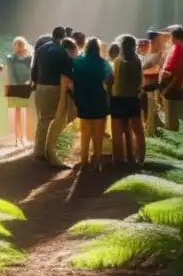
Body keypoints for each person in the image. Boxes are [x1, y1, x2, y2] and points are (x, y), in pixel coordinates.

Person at [32, 27, 73, 164]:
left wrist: (35, 82)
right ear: (63, 36)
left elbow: (34, 68)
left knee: (43, 119)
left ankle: (39, 150)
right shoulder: (62, 52)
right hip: (55, 87)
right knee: (57, 120)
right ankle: (52, 151)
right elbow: (67, 72)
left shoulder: (41, 49)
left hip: (40, 86)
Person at [72, 37, 112, 170]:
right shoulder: (103, 63)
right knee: (98, 133)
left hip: (83, 98)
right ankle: (98, 161)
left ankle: (84, 161)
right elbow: (108, 80)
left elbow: (73, 78)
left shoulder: (78, 62)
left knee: (85, 132)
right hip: (98, 97)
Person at [110, 35, 145, 165]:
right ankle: (140, 158)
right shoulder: (137, 61)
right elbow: (139, 81)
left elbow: (113, 79)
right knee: (138, 131)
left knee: (118, 132)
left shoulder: (118, 61)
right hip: (133, 99)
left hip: (118, 99)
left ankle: (118, 159)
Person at [160, 25, 183, 131]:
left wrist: (167, 87)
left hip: (174, 87)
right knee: (173, 117)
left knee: (172, 118)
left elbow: (175, 70)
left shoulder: (179, 49)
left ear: (174, 37)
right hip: (176, 86)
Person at [6, 37, 33, 147]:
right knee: (17, 113)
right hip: (15, 86)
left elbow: (32, 71)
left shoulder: (30, 58)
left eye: (20, 45)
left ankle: (26, 136)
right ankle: (17, 137)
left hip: (28, 86)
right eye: (16, 45)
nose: (18, 48)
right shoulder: (11, 58)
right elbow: (10, 73)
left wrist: (30, 82)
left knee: (28, 112)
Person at [141, 29, 168, 136]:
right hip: (146, 84)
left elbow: (154, 67)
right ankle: (149, 128)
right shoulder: (150, 52)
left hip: (152, 85)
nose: (151, 42)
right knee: (147, 109)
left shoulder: (160, 53)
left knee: (151, 108)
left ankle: (150, 130)